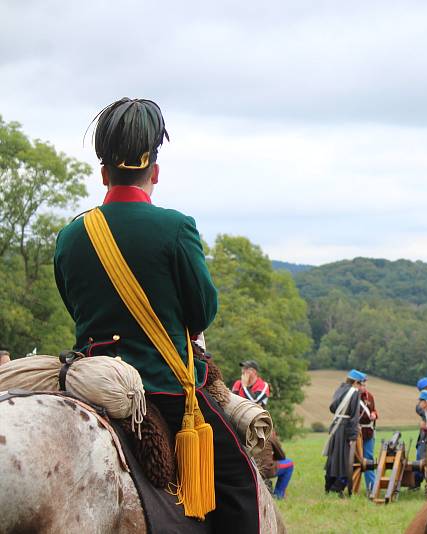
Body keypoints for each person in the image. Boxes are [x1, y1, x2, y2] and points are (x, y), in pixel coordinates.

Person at [53, 98, 259, 533]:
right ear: (155, 172)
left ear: (103, 172)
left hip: (90, 385)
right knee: (240, 485)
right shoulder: (176, 227)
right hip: (163, 389)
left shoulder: (71, 236)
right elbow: (203, 311)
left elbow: (76, 306)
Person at [323, 368, 364, 496]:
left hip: (335, 426)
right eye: (361, 383)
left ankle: (328, 485)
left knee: (333, 458)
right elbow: (354, 416)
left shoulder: (340, 389)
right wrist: (353, 436)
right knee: (344, 460)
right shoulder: (354, 393)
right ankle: (338, 487)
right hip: (345, 428)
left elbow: (333, 408)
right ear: (356, 382)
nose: (361, 386)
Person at [256, 430, 293, 500]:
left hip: (252, 469)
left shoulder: (249, 433)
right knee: (289, 463)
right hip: (266, 469)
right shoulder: (269, 434)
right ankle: (278, 494)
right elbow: (282, 456)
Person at [358, 375, 378, 493]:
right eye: (361, 385)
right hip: (357, 432)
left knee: (368, 459)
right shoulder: (353, 398)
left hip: (368, 431)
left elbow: (374, 409)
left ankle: (372, 487)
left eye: (365, 385)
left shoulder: (370, 396)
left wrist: (374, 415)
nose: (363, 387)